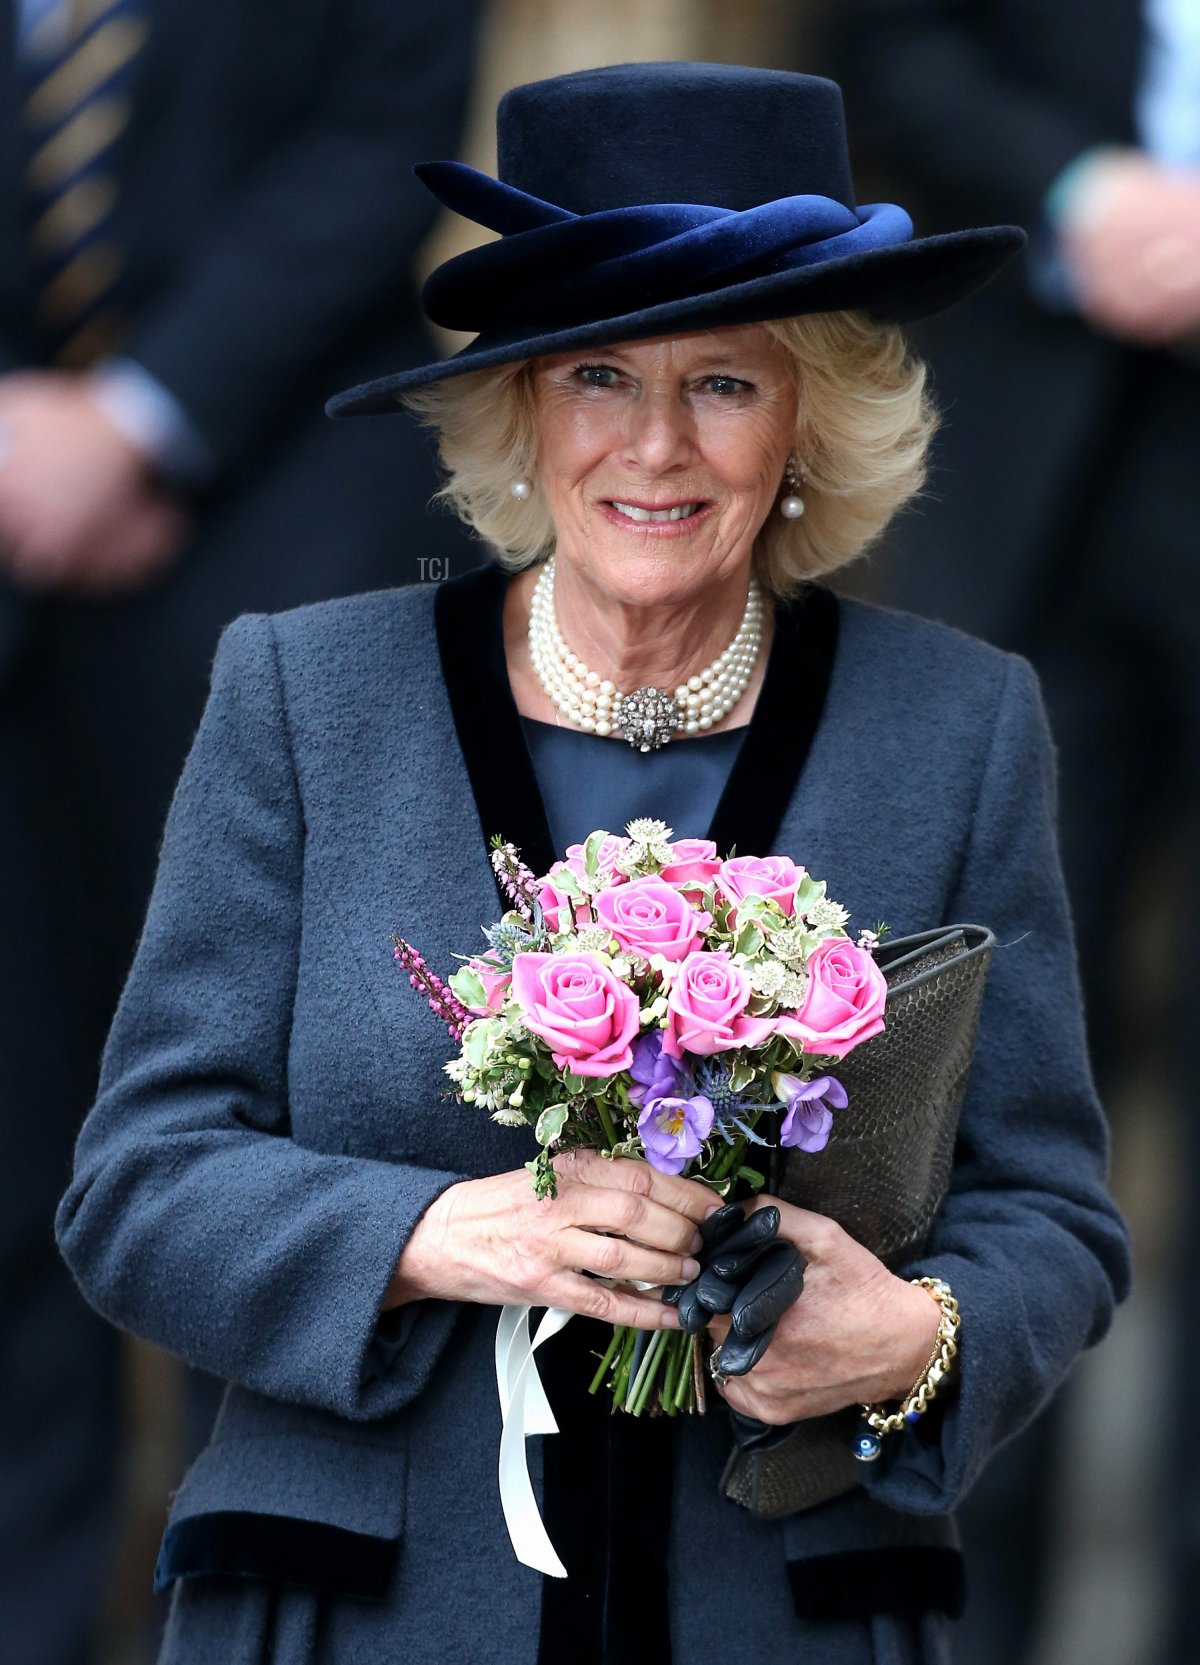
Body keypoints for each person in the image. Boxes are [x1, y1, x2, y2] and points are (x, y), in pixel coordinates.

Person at [55, 63, 1131, 1665]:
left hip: (785, 1609)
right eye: (602, 376)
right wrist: (432, 1238)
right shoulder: (303, 696)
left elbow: (1049, 1212)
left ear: (809, 421)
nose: (657, 446)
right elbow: (134, 1186)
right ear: (525, 406)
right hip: (352, 1611)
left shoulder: (961, 726)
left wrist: (918, 1336)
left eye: (727, 385)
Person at [0, 2, 479, 1658]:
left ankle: (280, 1617)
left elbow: (386, 127)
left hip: (280, 517)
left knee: (279, 1138)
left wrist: (137, 416)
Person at [829, 6, 1200, 1659]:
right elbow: (890, 40)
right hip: (1041, 470)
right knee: (980, 1089)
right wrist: (1074, 191)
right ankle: (957, 1625)